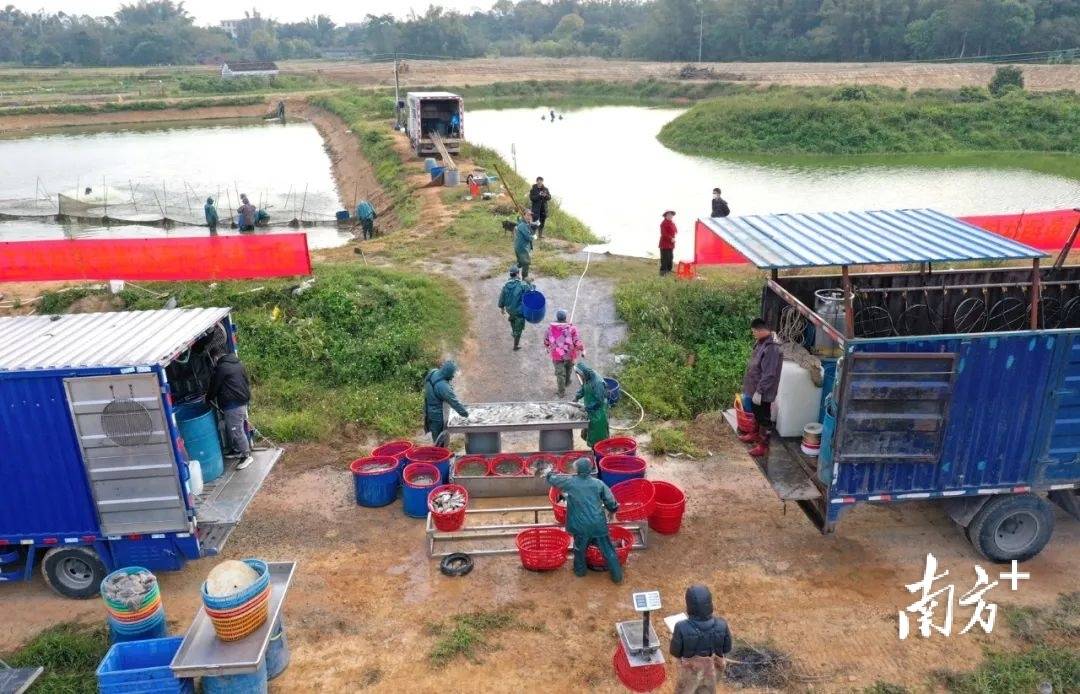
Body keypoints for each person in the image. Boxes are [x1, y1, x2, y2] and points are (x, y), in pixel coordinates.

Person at [544, 458, 622, 583]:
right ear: (590, 469)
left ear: (578, 470)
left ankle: (580, 572)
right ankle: (617, 577)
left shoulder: (570, 482)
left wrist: (548, 473)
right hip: (598, 524)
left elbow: (553, 480)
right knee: (608, 550)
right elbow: (610, 501)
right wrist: (613, 510)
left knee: (579, 550)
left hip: (580, 526)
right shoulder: (598, 483)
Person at [670, 585, 733, 694]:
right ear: (710, 604)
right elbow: (727, 648)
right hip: (712, 671)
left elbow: (675, 652)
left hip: (690, 673)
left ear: (689, 605)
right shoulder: (722, 624)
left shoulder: (681, 626)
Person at [740, 318, 782, 457]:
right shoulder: (761, 342)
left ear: (760, 330)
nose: (753, 334)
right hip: (754, 387)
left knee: (764, 417)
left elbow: (769, 373)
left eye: (754, 332)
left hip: (763, 390)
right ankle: (754, 434)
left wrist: (759, 391)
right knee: (756, 412)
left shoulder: (772, 348)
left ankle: (763, 445)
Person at [206, 348, 253, 469]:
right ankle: (237, 450)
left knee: (236, 430)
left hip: (233, 404)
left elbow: (214, 386)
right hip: (241, 400)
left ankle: (246, 455)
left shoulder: (222, 368)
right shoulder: (238, 364)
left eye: (213, 360)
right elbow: (246, 382)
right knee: (235, 428)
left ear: (216, 358)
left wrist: (208, 398)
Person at [423, 360, 469, 446]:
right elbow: (454, 402)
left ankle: (439, 451)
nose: (452, 377)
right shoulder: (443, 387)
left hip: (428, 409)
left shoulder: (433, 372)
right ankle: (440, 455)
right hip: (437, 414)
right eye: (452, 374)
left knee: (436, 435)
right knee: (440, 439)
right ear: (447, 373)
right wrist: (466, 414)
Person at [545, 309, 585, 397]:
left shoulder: (550, 329)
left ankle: (561, 392)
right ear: (565, 317)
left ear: (557, 318)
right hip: (569, 354)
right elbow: (577, 341)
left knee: (560, 374)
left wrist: (547, 347)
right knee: (568, 369)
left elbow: (546, 340)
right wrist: (582, 349)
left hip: (557, 355)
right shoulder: (571, 328)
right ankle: (567, 382)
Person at [574, 362, 610, 450]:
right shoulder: (587, 377)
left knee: (598, 440)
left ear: (583, 373)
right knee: (587, 434)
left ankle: (597, 455)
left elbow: (599, 402)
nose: (580, 377)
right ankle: (594, 450)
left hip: (598, 414)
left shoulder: (597, 383)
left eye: (580, 375)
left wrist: (587, 408)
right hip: (590, 412)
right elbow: (584, 388)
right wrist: (576, 397)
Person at [498, 266, 533, 351]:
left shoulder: (506, 285)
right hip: (519, 311)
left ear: (510, 274)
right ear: (517, 274)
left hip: (510, 310)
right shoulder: (522, 284)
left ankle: (514, 332)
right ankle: (515, 346)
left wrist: (502, 308)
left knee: (513, 320)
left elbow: (502, 297)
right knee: (519, 329)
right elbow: (530, 293)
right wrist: (530, 283)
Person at [514, 210, 537, 279]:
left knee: (520, 263)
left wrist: (531, 224)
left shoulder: (524, 223)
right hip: (522, 248)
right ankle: (525, 278)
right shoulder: (523, 225)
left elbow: (520, 222)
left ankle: (513, 274)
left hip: (519, 247)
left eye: (530, 215)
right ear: (524, 216)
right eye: (527, 215)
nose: (529, 217)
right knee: (526, 263)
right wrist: (534, 237)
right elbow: (528, 238)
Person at [659, 210, 677, 275]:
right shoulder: (663, 223)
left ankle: (669, 270)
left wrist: (673, 238)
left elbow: (674, 231)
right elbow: (663, 234)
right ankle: (663, 272)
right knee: (665, 258)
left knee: (670, 257)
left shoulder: (672, 222)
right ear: (665, 216)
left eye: (671, 215)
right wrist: (671, 238)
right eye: (668, 215)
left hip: (671, 243)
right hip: (664, 243)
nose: (670, 216)